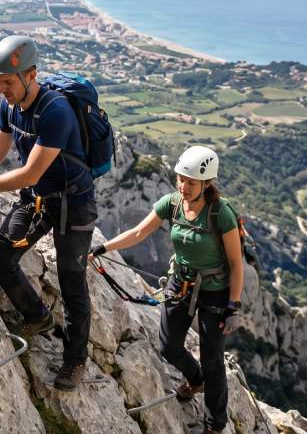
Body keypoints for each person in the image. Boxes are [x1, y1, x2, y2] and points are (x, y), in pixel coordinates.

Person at [0, 36, 97, 390]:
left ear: (31, 75)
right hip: (37, 199)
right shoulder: (9, 106)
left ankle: (74, 361)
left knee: (73, 284)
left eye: (8, 82)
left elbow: (30, 172)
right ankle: (37, 316)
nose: (2, 89)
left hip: (73, 203)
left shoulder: (55, 110)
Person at [88, 146, 244, 434]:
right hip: (180, 283)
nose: (183, 187)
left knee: (213, 360)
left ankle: (214, 425)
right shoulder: (171, 203)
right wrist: (103, 247)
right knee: (168, 346)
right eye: (180, 179)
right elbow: (137, 233)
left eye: (191, 182)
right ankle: (195, 380)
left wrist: (233, 305)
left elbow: (236, 263)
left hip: (215, 292)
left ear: (207, 183)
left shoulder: (220, 214)